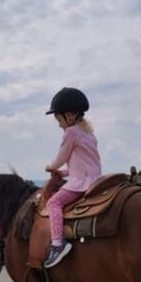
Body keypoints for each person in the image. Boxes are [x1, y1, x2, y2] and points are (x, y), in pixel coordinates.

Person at [44, 87, 102, 268]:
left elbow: (62, 157)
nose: (59, 124)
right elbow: (84, 164)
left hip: (80, 184)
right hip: (95, 179)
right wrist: (63, 174)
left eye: (59, 119)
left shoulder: (71, 133)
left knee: (53, 203)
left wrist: (51, 167)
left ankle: (57, 244)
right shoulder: (89, 134)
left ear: (69, 116)